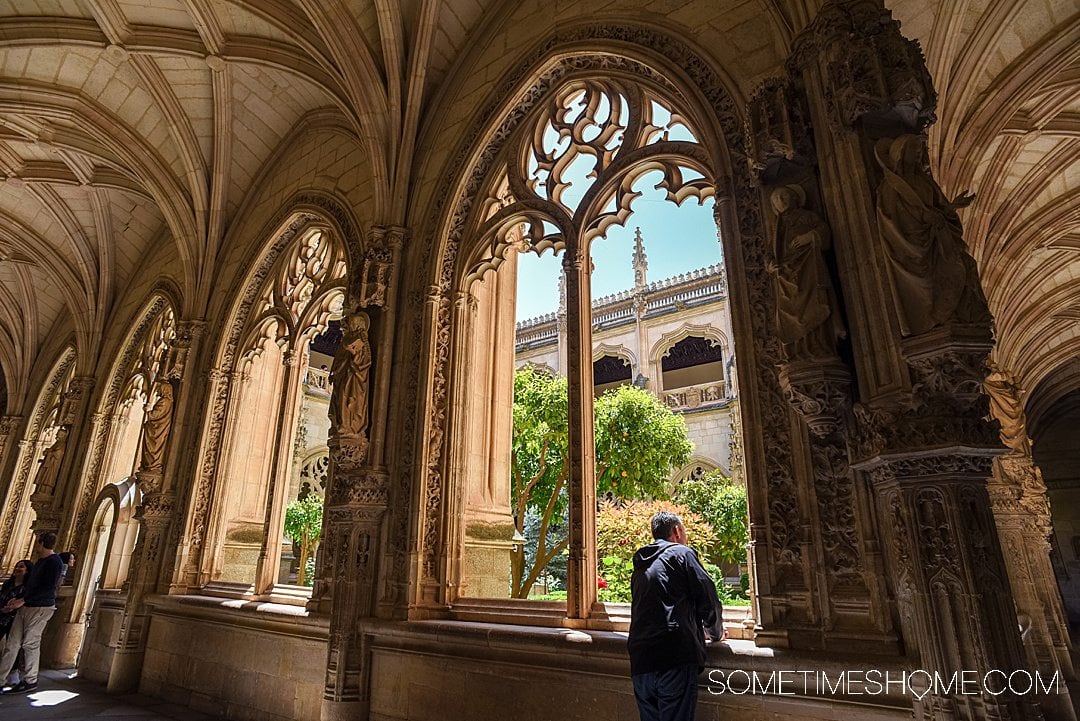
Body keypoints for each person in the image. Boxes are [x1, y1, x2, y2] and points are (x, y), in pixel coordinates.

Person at [628, 511, 723, 721]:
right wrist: (715, 632)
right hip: (673, 656)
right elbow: (708, 598)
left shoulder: (640, 565)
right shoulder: (682, 554)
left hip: (641, 660)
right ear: (677, 531)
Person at [0, 531, 64, 694]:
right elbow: (32, 585)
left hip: (40, 607)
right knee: (12, 644)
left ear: (41, 543)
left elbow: (48, 587)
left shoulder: (54, 562)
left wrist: (23, 600)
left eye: (37, 542)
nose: (36, 545)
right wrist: (19, 600)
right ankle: (1, 679)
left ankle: (30, 680)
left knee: (30, 643)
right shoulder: (41, 561)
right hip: (26, 606)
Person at [0, 559, 32, 687]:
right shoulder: (8, 584)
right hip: (2, 616)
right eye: (17, 566)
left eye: (21, 567)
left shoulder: (27, 588)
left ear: (27, 571)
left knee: (12, 647)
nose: (18, 569)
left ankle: (13, 673)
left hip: (15, 618)